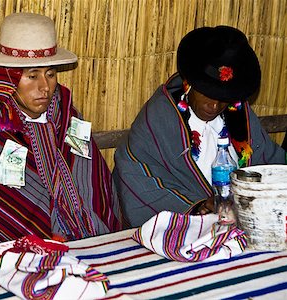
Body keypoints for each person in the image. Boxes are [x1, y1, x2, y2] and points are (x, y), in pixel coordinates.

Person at [0, 13, 122, 244]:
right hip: (20, 252)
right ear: (8, 78)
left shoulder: (69, 118)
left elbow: (94, 184)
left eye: (50, 74)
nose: (44, 87)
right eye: (32, 76)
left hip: (88, 241)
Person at [113, 26, 286, 227]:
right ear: (189, 84)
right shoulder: (160, 118)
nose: (214, 105)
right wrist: (198, 207)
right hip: (182, 228)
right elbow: (136, 176)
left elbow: (271, 165)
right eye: (207, 94)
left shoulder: (238, 114)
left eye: (223, 98)